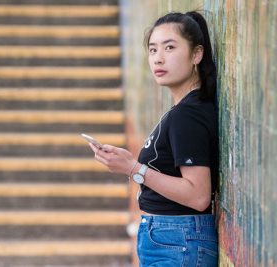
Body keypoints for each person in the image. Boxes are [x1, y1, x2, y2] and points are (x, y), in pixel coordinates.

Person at [88, 11, 219, 266]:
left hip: (179, 241)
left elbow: (199, 195)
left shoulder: (187, 115)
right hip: (171, 238)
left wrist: (134, 169)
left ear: (197, 54)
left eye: (169, 47)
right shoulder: (183, 110)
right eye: (152, 50)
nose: (158, 58)